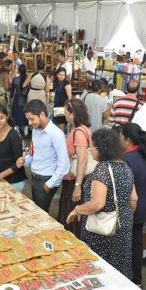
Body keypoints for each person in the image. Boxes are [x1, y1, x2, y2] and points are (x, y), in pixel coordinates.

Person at [66, 128, 137, 278]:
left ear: (102, 149)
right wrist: (123, 216)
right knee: (119, 269)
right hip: (123, 224)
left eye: (92, 148)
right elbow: (134, 199)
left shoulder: (103, 169)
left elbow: (97, 203)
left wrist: (78, 209)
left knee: (101, 270)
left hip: (102, 231)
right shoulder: (125, 165)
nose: (90, 152)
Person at [17, 100, 69, 212]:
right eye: (28, 119)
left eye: (32, 119)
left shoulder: (56, 134)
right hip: (35, 177)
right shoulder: (36, 130)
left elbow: (64, 164)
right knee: (37, 211)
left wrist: (50, 184)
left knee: (40, 213)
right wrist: (24, 160)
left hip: (46, 179)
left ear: (42, 115)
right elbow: (34, 155)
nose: (29, 123)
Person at [118, 123, 146, 287]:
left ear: (127, 139)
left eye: (120, 136)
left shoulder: (126, 159)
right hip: (144, 206)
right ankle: (137, 280)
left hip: (132, 208)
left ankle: (130, 279)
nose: (119, 139)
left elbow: (126, 191)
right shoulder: (144, 154)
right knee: (136, 244)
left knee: (127, 245)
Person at [57, 99, 92, 236]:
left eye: (66, 112)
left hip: (75, 181)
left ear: (73, 114)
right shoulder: (82, 129)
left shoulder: (78, 132)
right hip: (72, 180)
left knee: (71, 217)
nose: (64, 115)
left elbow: (82, 159)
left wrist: (77, 185)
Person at [11, 64, 29, 137]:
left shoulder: (15, 79)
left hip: (17, 99)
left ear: (18, 71)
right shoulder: (28, 79)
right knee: (25, 114)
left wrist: (10, 98)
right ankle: (26, 131)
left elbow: (12, 92)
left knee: (16, 114)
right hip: (26, 98)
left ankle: (17, 131)